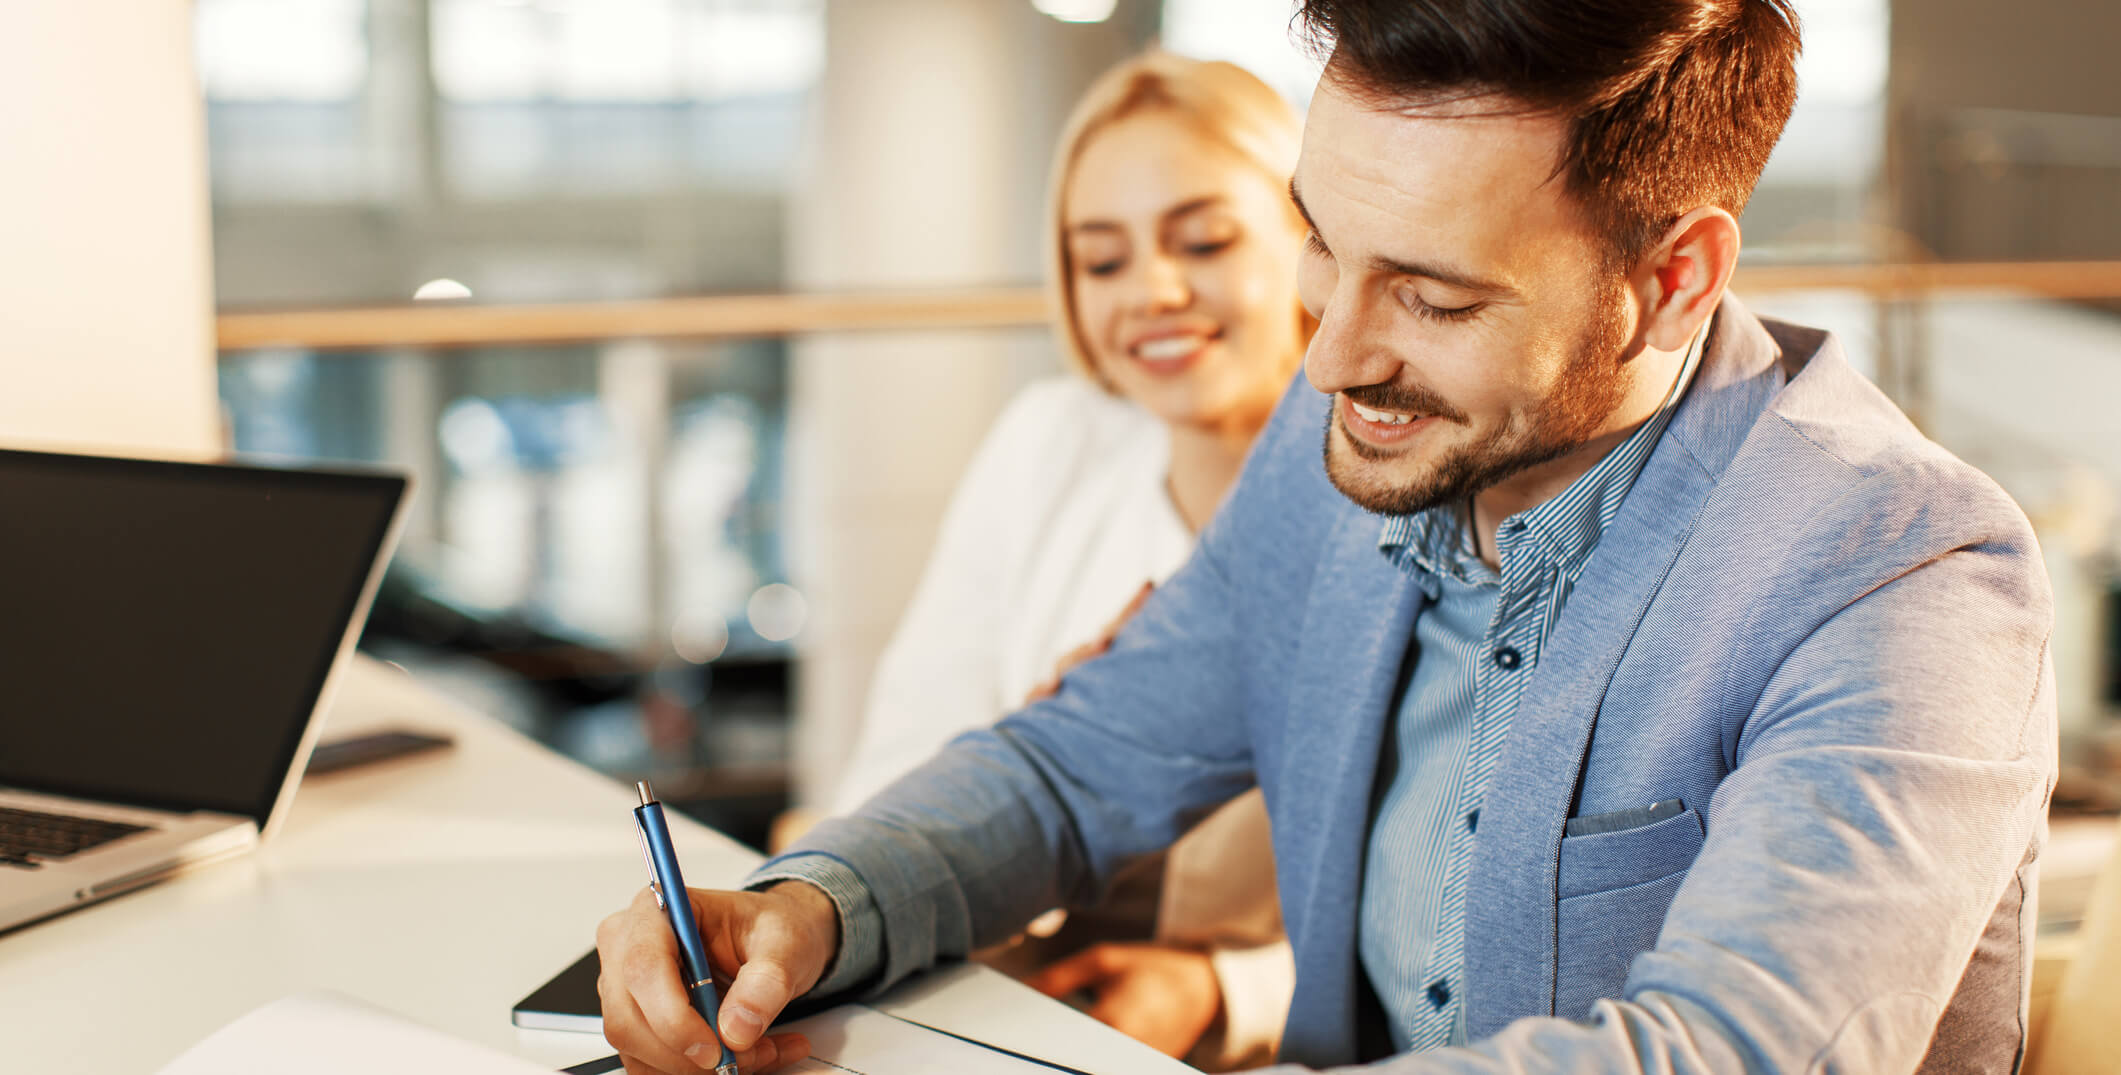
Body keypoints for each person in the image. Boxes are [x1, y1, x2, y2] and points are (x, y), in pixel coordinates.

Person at [595, 2, 2059, 1072]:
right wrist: (815, 906)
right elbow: (1072, 762)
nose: (1327, 356)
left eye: (1432, 295)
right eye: (1320, 244)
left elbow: (1723, 1053)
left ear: (1670, 279)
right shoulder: (1352, 453)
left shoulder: (1901, 571)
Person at [806, 50, 1311, 1068]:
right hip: (999, 1002)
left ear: (1315, 240)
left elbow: (1441, 910)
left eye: (1204, 240)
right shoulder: (1051, 443)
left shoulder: (1391, 494)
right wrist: (1039, 744)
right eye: (1102, 259)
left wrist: (1222, 990)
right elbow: (894, 773)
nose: (1154, 292)